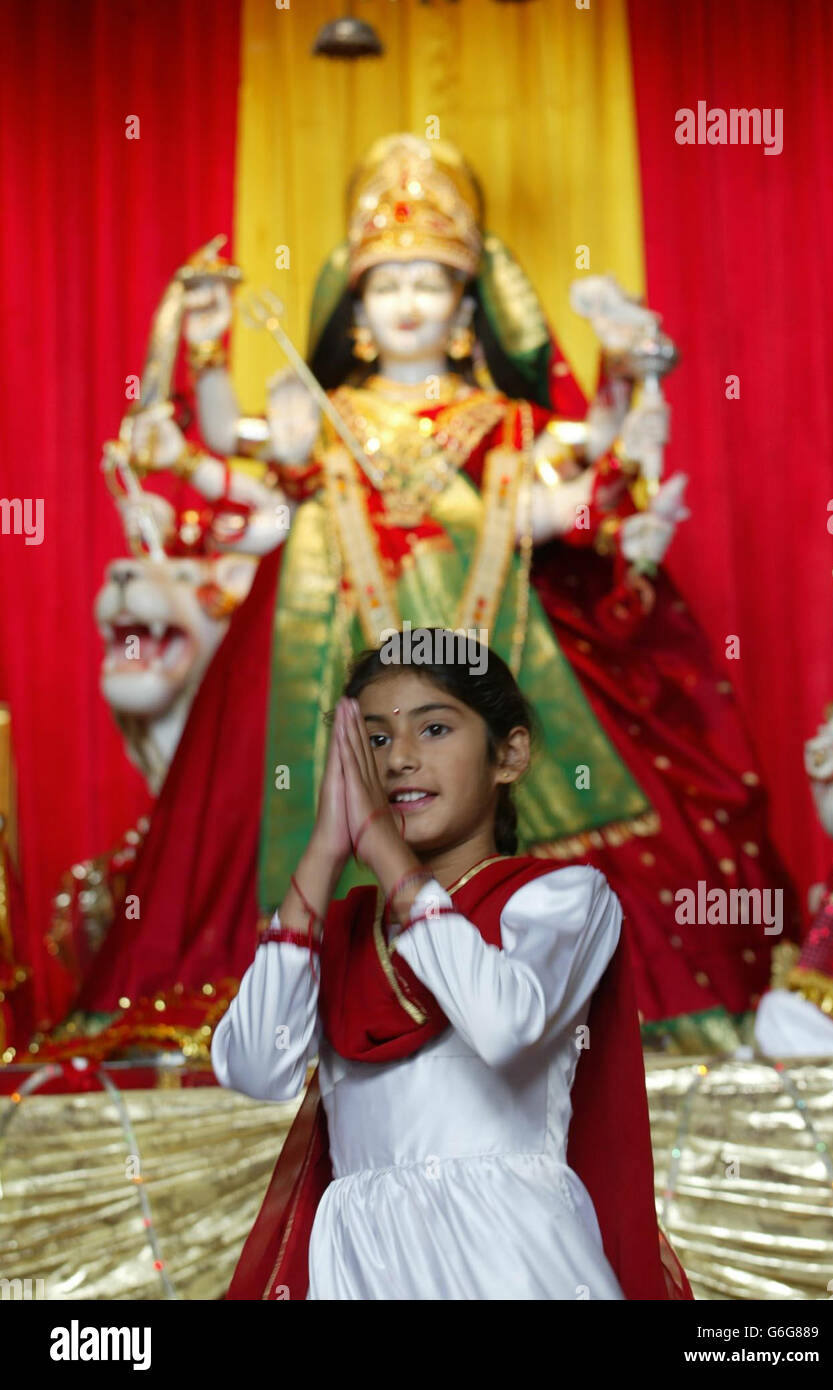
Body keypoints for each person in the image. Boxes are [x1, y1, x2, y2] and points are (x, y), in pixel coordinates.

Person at [51, 132, 795, 1067]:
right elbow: (236, 484)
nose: (407, 302)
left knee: (566, 812)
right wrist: (200, 342)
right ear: (356, 309)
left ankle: (561, 1005)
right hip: (318, 645)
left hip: (499, 644)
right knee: (284, 804)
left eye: (428, 282)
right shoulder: (317, 417)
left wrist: (619, 417)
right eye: (386, 283)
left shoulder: (507, 423)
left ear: (464, 307)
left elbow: (552, 500)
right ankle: (299, 1014)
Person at [212, 630, 692, 1300]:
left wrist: (383, 851)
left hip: (511, 1257)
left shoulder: (558, 899)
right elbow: (255, 1069)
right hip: (359, 1264)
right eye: (374, 740)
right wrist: (322, 854)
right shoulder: (343, 929)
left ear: (510, 754)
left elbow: (502, 1024)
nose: (400, 759)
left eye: (433, 729)